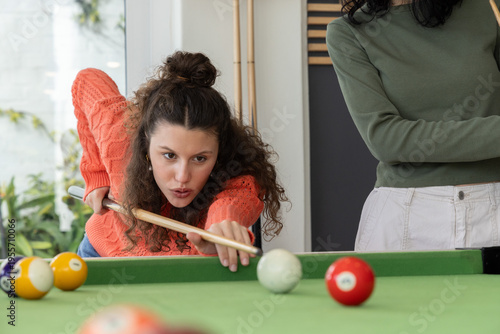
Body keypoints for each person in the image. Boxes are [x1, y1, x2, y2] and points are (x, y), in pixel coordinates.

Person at [72, 51, 288, 271]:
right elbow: (87, 80)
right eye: (169, 155)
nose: (183, 177)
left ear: (220, 151)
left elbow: (232, 203)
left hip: (179, 270)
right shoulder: (120, 138)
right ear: (145, 142)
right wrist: (97, 174)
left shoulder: (236, 175)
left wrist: (222, 224)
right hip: (100, 252)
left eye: (200, 158)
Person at [326, 0, 500, 251]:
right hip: (405, 218)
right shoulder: (349, 32)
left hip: (492, 210)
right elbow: (385, 139)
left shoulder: (488, 8)